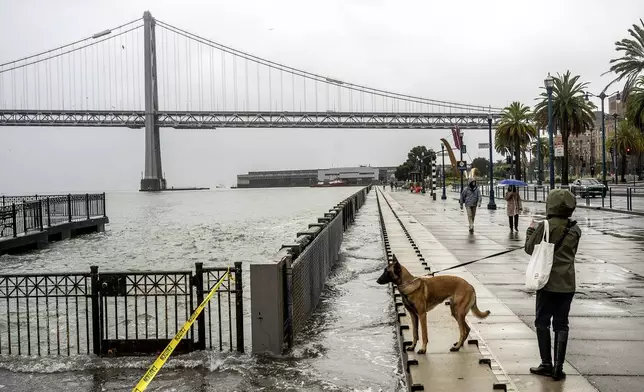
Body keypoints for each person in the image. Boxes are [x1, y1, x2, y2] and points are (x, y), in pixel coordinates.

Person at [524, 189, 581, 381]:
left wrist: (531, 230)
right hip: (567, 283)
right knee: (561, 324)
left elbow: (529, 248)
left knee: (542, 322)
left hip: (547, 282)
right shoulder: (575, 229)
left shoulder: (546, 225)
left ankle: (546, 363)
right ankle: (559, 367)